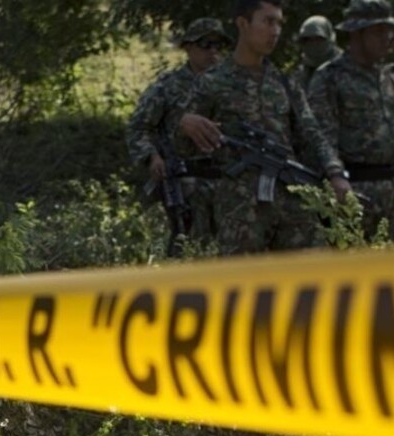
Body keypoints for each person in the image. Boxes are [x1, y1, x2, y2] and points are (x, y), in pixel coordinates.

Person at [178, 0, 352, 255]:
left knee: (313, 277)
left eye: (279, 23)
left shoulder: (284, 83)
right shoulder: (212, 82)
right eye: (268, 21)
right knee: (243, 288)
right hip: (239, 210)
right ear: (243, 24)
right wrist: (185, 124)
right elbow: (181, 147)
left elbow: (312, 133)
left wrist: (335, 174)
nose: (276, 31)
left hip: (292, 199)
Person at [307, 0, 394, 241]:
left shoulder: (392, 76)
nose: (388, 38)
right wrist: (335, 176)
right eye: (379, 31)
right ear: (358, 34)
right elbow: (320, 136)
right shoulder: (330, 77)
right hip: (359, 192)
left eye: (389, 31)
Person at [125, 18, 232, 253]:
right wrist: (151, 156)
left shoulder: (234, 85)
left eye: (219, 46)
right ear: (189, 48)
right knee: (186, 244)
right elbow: (139, 127)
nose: (213, 52)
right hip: (185, 181)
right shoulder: (167, 87)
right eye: (206, 45)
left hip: (228, 179)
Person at [289, 15, 341, 92]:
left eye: (318, 39)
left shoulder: (345, 69)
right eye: (307, 40)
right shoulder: (300, 75)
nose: (313, 44)